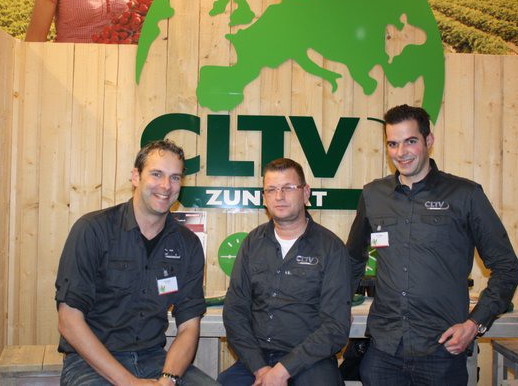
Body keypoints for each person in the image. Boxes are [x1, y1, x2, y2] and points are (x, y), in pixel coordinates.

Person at [347, 104, 518, 385]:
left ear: (429, 140)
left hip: (442, 350)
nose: (401, 152)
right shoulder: (373, 195)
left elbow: (507, 267)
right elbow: (352, 261)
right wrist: (336, 309)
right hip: (383, 352)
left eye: (410, 141)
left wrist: (474, 324)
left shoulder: (465, 195)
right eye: (393, 143)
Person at [55, 140, 218, 385]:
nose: (166, 185)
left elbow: (188, 327)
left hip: (154, 360)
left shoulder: (188, 245)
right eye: (156, 174)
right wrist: (129, 382)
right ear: (135, 177)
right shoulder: (92, 230)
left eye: (175, 177)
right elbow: (69, 321)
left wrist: (168, 379)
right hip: (90, 363)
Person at [219, 158, 351, 386]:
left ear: (305, 193)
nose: (279, 196)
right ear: (264, 198)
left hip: (311, 361)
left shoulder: (331, 248)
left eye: (288, 188)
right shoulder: (252, 243)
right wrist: (261, 369)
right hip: (257, 359)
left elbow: (336, 327)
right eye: (271, 189)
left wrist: (282, 371)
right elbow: (235, 311)